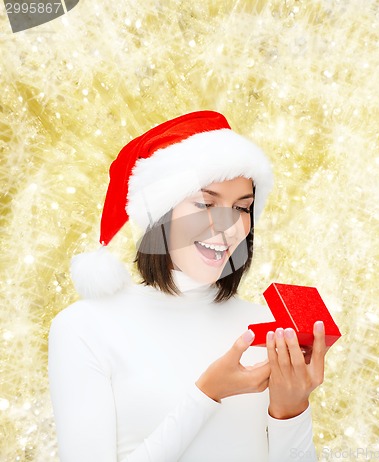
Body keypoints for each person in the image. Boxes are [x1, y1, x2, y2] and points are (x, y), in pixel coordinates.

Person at [48, 111, 328, 462]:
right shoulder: (85, 327)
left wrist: (291, 410)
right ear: (160, 213)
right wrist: (207, 395)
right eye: (205, 203)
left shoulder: (268, 329)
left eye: (242, 207)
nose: (227, 228)